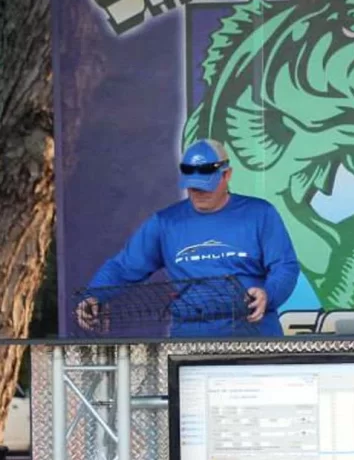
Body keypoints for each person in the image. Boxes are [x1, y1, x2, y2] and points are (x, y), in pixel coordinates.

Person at [75, 139, 300, 337]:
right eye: (193, 188)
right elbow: (124, 267)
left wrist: (268, 294)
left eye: (206, 187)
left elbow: (285, 266)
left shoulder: (260, 213)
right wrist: (94, 295)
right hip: (191, 336)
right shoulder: (165, 222)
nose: (199, 194)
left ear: (227, 175)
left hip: (252, 331)